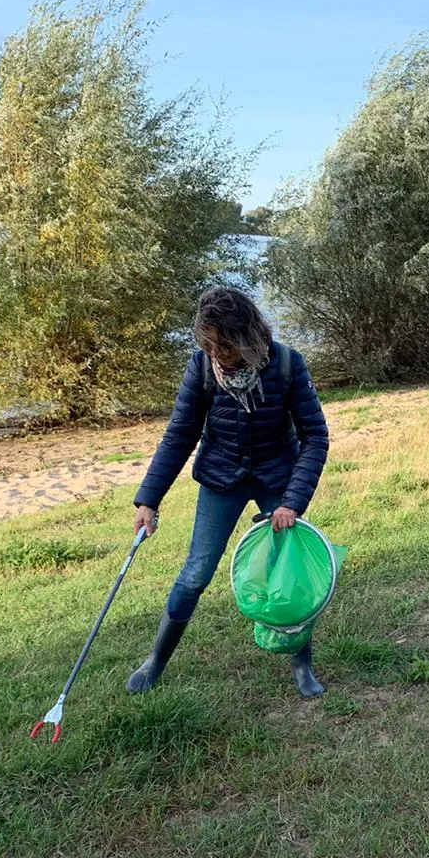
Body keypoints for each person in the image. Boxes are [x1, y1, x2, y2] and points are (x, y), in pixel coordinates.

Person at [128, 286, 331, 699]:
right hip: (221, 479)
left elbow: (315, 438)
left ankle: (302, 666)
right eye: (210, 344)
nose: (217, 353)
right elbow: (179, 436)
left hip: (279, 478)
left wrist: (292, 501)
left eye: (225, 344)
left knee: (289, 572)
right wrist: (149, 498)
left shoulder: (289, 364)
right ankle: (155, 662)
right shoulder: (202, 368)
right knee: (195, 574)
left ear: (250, 335)